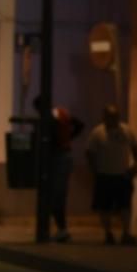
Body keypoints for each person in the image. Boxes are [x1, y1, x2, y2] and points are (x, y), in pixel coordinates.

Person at [33, 95, 84, 242]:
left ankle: (61, 229)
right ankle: (59, 229)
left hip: (57, 158)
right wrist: (68, 139)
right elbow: (79, 125)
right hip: (63, 155)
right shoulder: (61, 113)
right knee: (56, 195)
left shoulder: (49, 119)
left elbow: (53, 137)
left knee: (55, 195)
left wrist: (64, 141)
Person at [86, 104, 137, 245]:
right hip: (105, 173)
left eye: (115, 117)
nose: (113, 120)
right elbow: (90, 153)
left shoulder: (126, 130)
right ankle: (108, 233)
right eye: (110, 117)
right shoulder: (98, 133)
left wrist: (136, 164)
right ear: (104, 117)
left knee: (125, 205)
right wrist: (94, 171)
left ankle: (126, 233)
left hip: (122, 174)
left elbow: (134, 147)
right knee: (104, 206)